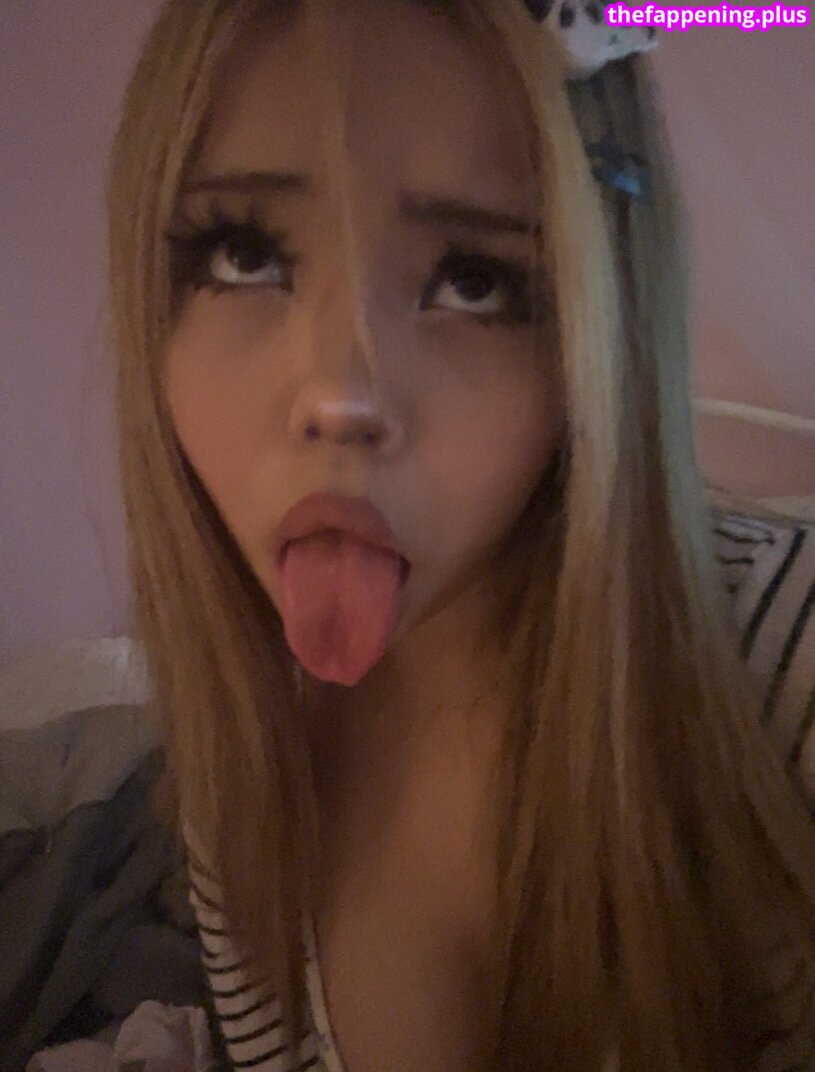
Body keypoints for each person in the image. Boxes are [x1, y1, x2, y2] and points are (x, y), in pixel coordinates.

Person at [106, 1, 815, 1069]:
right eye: (244, 255)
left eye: (472, 282)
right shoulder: (236, 786)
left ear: (596, 329)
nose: (339, 396)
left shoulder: (785, 673)